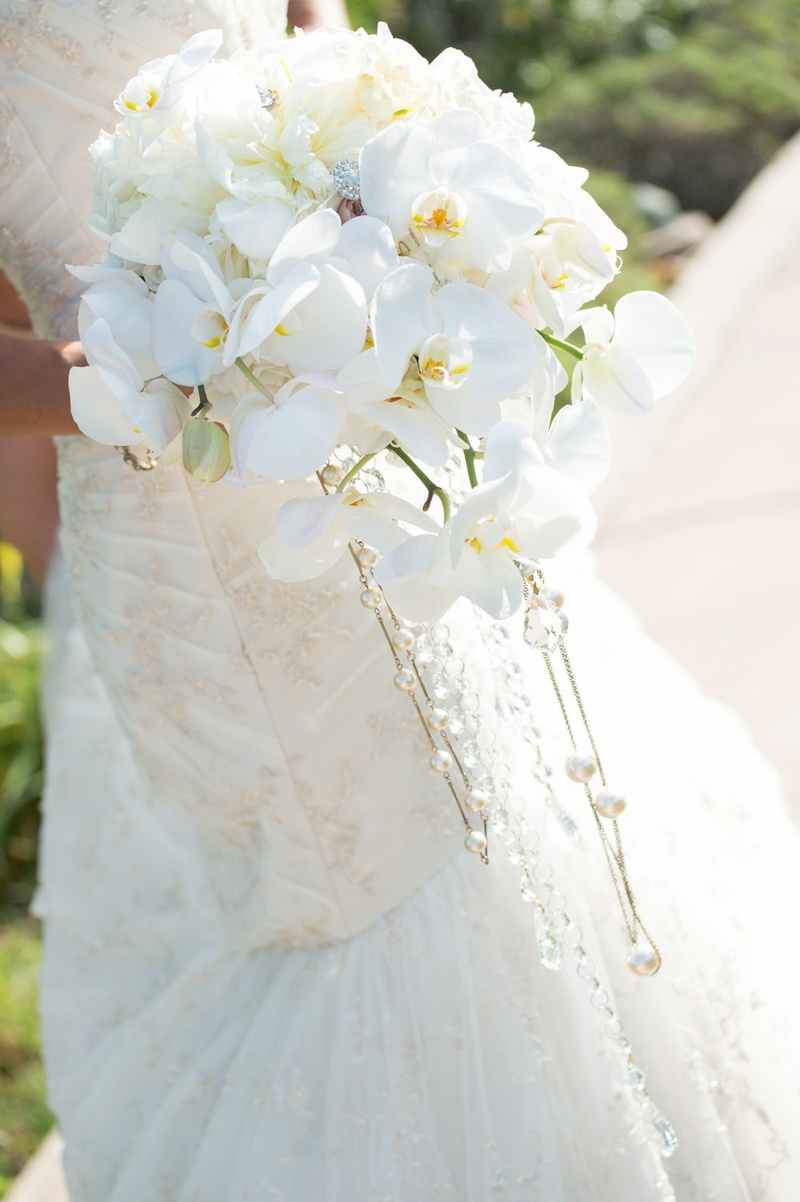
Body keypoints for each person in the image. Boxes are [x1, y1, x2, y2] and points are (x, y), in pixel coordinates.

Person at [1, 2, 799, 1199]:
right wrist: (136, 377)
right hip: (188, 515)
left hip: (388, 403)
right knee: (352, 874)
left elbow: (308, 41)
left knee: (517, 795)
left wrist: (403, 209)